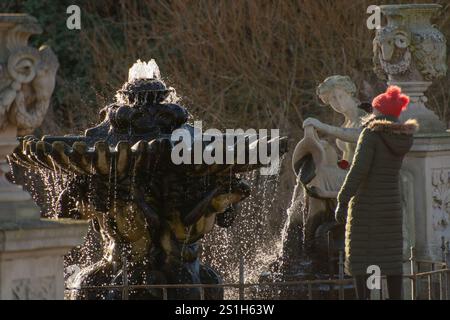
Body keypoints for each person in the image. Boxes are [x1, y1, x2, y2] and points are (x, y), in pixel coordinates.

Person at [334, 86, 418, 300]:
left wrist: (342, 200)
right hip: (390, 206)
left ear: (378, 112)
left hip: (367, 206)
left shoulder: (371, 135)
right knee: (389, 259)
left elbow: (359, 170)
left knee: (365, 260)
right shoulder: (401, 137)